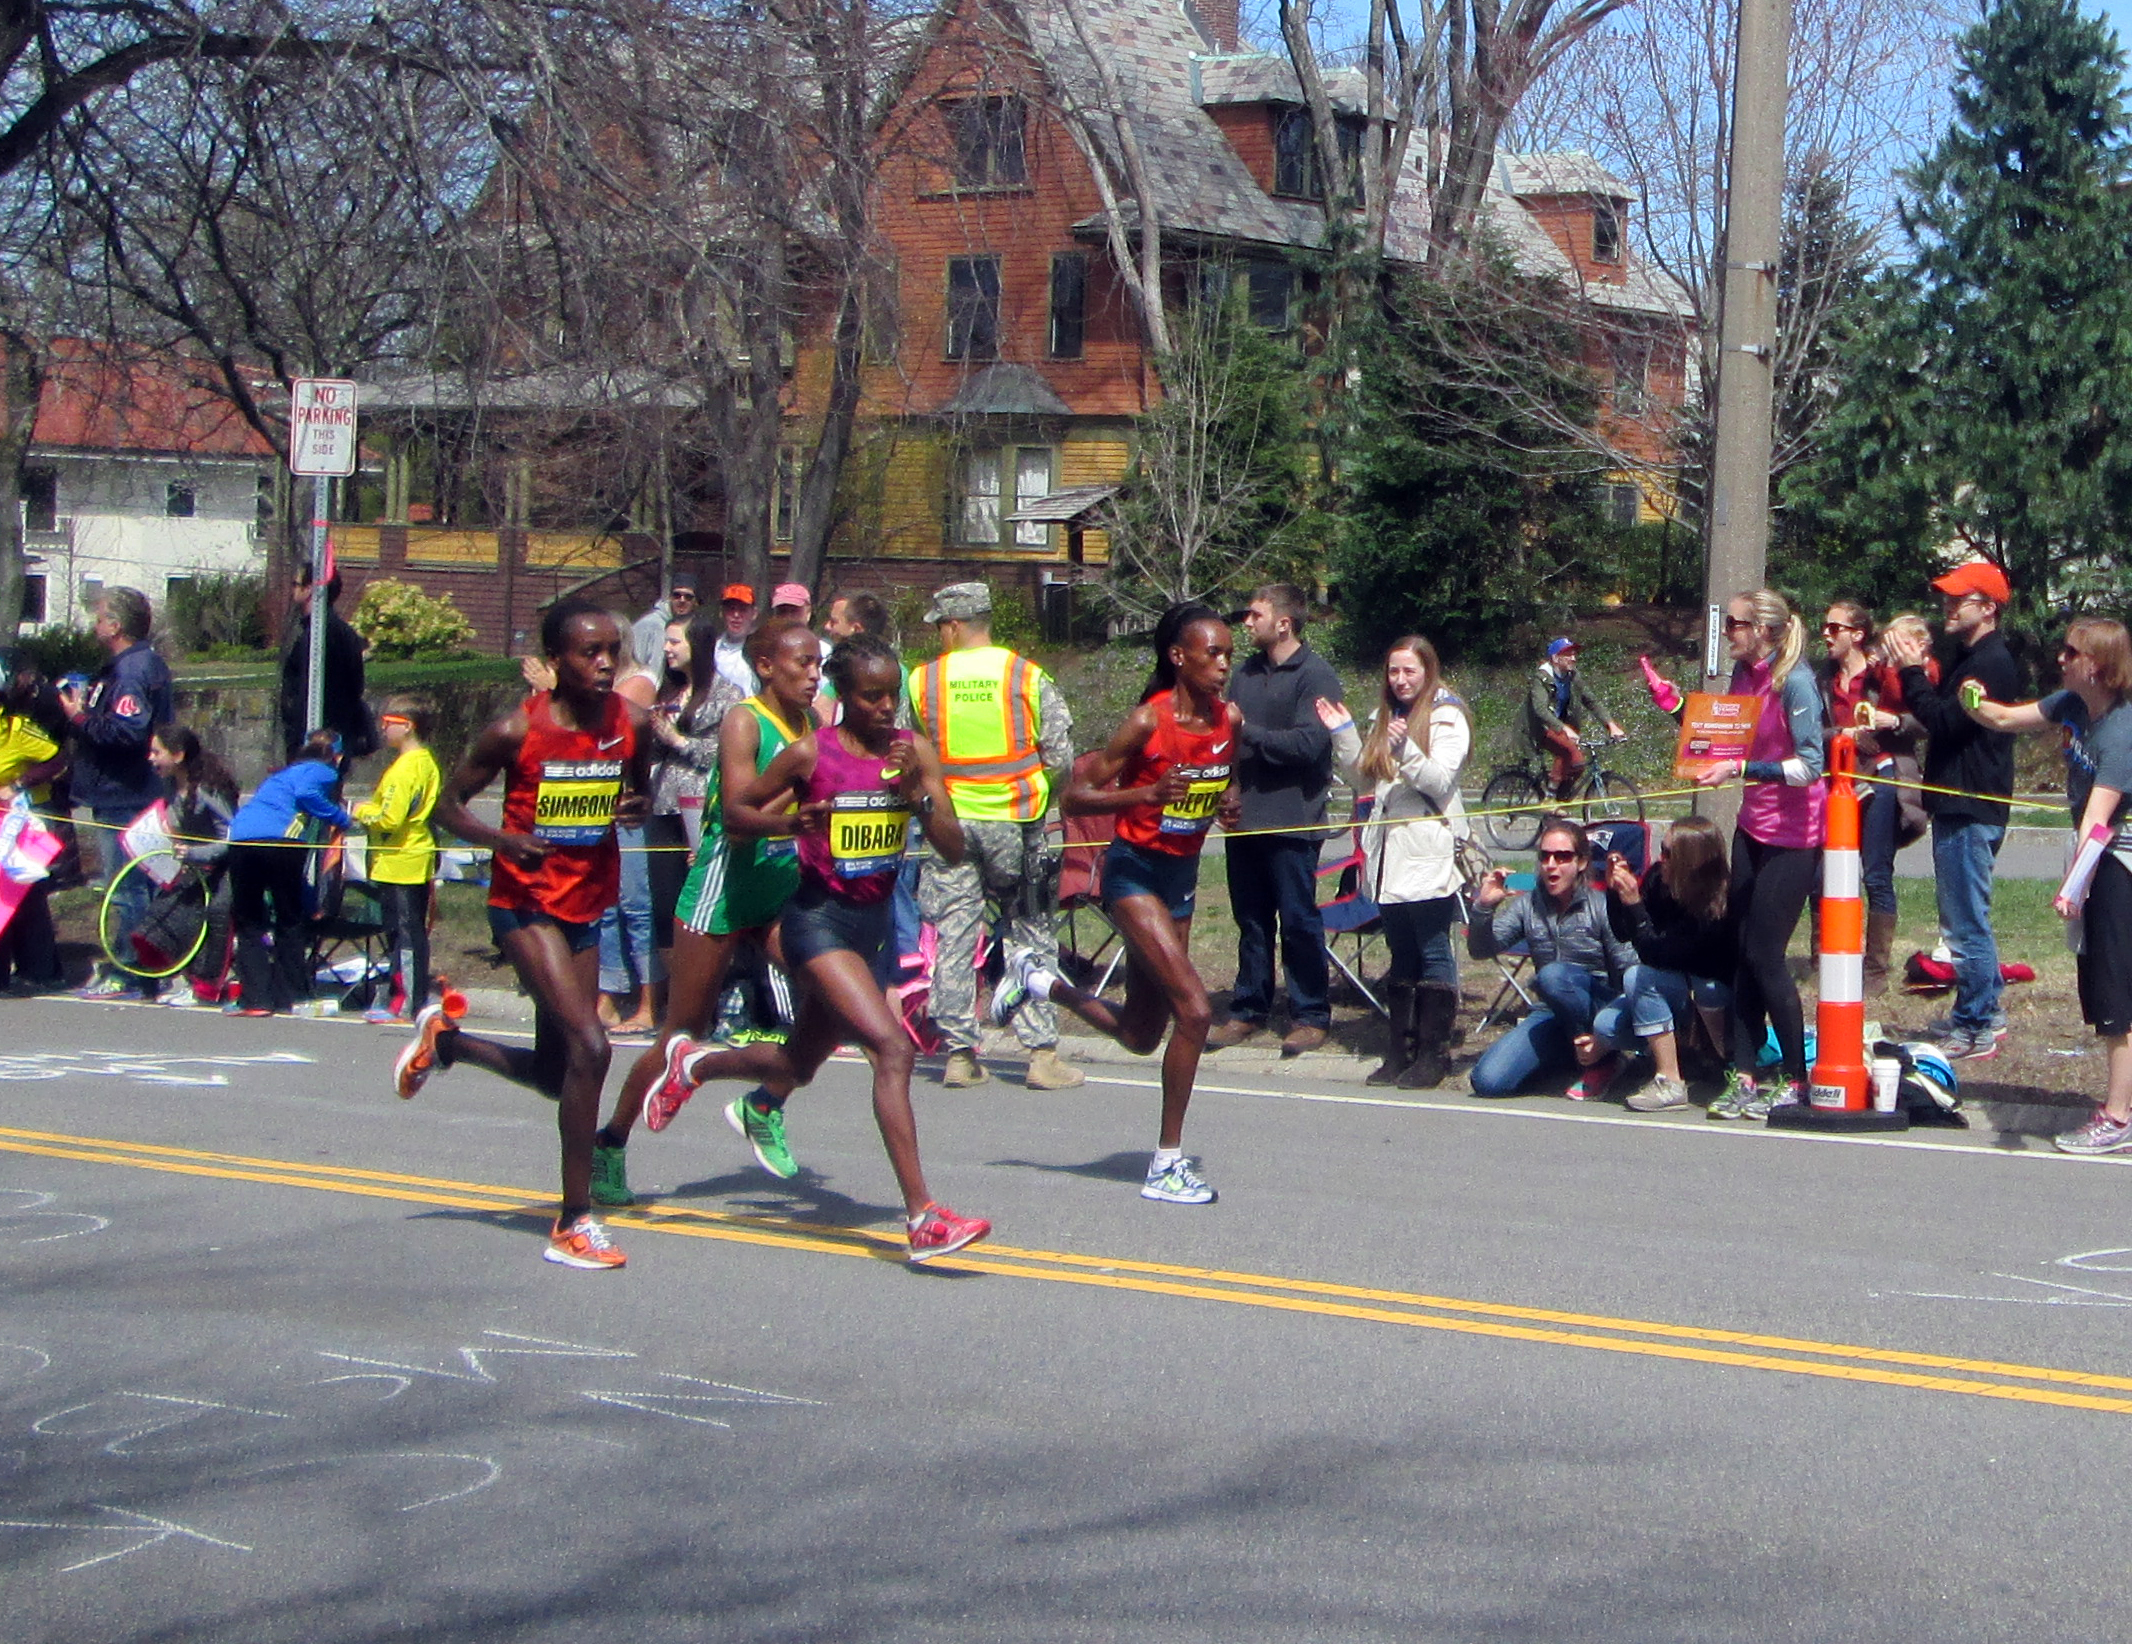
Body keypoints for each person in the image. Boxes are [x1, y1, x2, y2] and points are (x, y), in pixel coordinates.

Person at [638, 633, 992, 1265]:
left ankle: (695, 1066)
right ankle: (923, 1217)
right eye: (871, 696)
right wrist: (789, 823)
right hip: (816, 923)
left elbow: (954, 848)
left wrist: (920, 796)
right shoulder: (810, 755)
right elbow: (737, 813)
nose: (886, 709)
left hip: (871, 925)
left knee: (798, 1065)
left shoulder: (915, 754)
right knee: (892, 1048)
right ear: (845, 697)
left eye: (893, 696)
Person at [398, 598, 653, 1271]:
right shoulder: (515, 730)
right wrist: (502, 837)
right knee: (592, 1046)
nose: (603, 664)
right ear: (553, 662)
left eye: (611, 652)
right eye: (587, 653)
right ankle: (574, 1220)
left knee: (554, 1072)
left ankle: (448, 1043)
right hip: (524, 904)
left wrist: (636, 804)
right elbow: (448, 807)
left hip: (585, 904)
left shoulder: (631, 723)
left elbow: (639, 792)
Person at [993, 603, 1239, 1205]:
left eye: (1230, 654)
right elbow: (1074, 797)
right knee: (1197, 1013)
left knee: (1138, 1034)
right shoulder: (1146, 723)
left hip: (1181, 877)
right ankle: (1166, 1165)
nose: (1224, 665)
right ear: (1179, 657)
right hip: (1132, 875)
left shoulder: (1231, 719)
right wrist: (1147, 792)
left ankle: (1038, 982)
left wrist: (1228, 802)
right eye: (1213, 654)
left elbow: (1224, 779)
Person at [589, 618, 814, 1208]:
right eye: (803, 664)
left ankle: (762, 1102)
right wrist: (805, 794)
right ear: (765, 665)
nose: (815, 675)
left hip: (775, 888)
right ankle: (609, 1143)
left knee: (829, 1010)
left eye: (819, 664)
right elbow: (741, 816)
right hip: (722, 886)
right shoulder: (745, 720)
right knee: (677, 1036)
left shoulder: (809, 723)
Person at [1960, 618, 2131, 1152]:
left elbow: (2097, 821)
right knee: (2105, 988)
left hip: (2118, 860)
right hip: (2096, 855)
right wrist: (1970, 699)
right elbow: (2007, 719)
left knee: (2114, 995)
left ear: (2098, 666)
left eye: (2070, 651)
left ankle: (2118, 1116)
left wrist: (2072, 887)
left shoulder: (2122, 732)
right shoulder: (2074, 704)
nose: (2060, 658)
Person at [908, 580, 1081, 1090]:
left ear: (955, 625)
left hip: (950, 829)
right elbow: (1060, 753)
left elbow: (903, 753)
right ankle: (1041, 1056)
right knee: (1030, 935)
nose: (939, 634)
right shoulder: (1024, 675)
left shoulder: (922, 681)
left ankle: (960, 1055)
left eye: (940, 625)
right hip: (1018, 824)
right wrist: (1046, 794)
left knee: (956, 936)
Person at [1688, 589, 1827, 1118]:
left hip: (1795, 834)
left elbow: (1810, 766)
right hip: (1753, 824)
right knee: (1740, 948)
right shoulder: (1742, 677)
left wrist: (1743, 770)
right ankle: (1742, 1072)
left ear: (1766, 630)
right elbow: (1727, 739)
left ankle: (1795, 1077)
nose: (1729, 634)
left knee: (1767, 953)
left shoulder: (1796, 681)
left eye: (1737, 624)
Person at [1316, 634, 1471, 1088]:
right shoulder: (1385, 716)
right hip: (1389, 852)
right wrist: (1344, 734)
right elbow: (1365, 778)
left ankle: (1433, 1053)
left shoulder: (1447, 715)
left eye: (1410, 671)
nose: (1400, 680)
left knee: (1432, 947)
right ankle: (1399, 1052)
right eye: (1393, 671)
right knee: (1400, 950)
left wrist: (1407, 749)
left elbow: (1441, 780)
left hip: (1430, 844)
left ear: (1428, 671)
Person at [1884, 561, 2021, 1060]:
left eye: (1958, 600)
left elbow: (1946, 723)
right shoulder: (1967, 657)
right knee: (1961, 919)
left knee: (1966, 923)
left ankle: (1977, 1024)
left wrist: (1912, 671)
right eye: (1946, 597)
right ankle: (1983, 1011)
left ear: (1987, 608)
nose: (1947, 606)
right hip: (1957, 802)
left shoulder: (1991, 662)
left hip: (1971, 805)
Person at [1206, 584, 1344, 1056]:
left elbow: (1310, 745)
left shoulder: (1316, 675)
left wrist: (1250, 731)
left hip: (1293, 821)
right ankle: (1248, 1008)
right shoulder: (1244, 673)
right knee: (1251, 921)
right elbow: (1227, 743)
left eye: (1256, 615)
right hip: (1246, 821)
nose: (1248, 622)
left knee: (1299, 920)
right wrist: (1228, 790)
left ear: (1283, 623)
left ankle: (1309, 1013)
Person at [1466, 816, 1637, 1097]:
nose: (1551, 865)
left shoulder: (1602, 906)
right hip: (1550, 1011)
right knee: (1488, 1081)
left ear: (1581, 862)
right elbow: (1480, 950)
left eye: (1562, 857)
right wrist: (1483, 908)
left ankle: (1606, 1060)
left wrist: (1608, 1033)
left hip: (1601, 1006)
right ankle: (1568, 1054)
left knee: (1553, 975)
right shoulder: (1527, 906)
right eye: (1545, 857)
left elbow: (1630, 971)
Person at [62, 586, 173, 996]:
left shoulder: (132, 671)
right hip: (125, 789)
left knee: (127, 888)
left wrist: (79, 718)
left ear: (117, 625)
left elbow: (128, 731)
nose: (95, 625)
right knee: (136, 885)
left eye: (100, 618)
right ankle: (142, 967)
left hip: (124, 791)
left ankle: (133, 971)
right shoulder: (132, 665)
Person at [1822, 603, 1933, 993]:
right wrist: (1842, 734)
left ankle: (1875, 973)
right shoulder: (1823, 680)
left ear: (1857, 633)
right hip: (1836, 782)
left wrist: (1895, 721)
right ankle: (1829, 958)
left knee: (1876, 872)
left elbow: (1925, 718)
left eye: (1834, 627)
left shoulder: (1879, 674)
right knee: (1824, 871)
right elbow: (1809, 732)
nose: (1826, 633)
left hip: (1882, 775)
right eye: (1824, 626)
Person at [1594, 815, 1737, 1112]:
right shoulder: (1660, 878)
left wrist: (1634, 904)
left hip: (1715, 1001)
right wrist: (1616, 893)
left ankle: (1675, 1077)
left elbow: (1655, 954)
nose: (1661, 859)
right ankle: (1676, 1057)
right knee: (1606, 1027)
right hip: (1675, 993)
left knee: (1641, 977)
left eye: (1669, 853)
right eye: (1662, 849)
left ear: (1691, 861)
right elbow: (1623, 933)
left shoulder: (1717, 905)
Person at [224, 729, 358, 1016]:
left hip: (241, 838)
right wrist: (341, 819)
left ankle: (255, 998)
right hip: (279, 841)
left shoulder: (280, 775)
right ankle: (292, 994)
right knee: (289, 917)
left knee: (249, 920)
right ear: (337, 756)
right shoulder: (324, 771)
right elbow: (307, 793)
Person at [595, 615, 664, 1034]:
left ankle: (649, 1003)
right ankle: (607, 997)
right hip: (596, 805)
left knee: (637, 908)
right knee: (605, 908)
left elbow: (615, 723)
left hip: (630, 806)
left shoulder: (639, 679)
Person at [353, 695, 441, 1023]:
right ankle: (400, 994)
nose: (383, 728)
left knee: (406, 933)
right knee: (401, 931)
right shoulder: (422, 762)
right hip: (399, 857)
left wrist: (361, 811)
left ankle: (407, 1001)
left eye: (388, 723)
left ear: (407, 726)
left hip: (403, 858)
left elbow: (391, 818)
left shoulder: (408, 767)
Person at [140, 724, 238, 1003]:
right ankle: (175, 975)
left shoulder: (209, 790)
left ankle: (206, 985)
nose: (150, 758)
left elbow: (231, 840)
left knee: (216, 912)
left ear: (178, 755)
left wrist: (194, 854)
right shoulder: (170, 786)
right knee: (165, 908)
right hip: (194, 867)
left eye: (156, 752)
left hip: (227, 867)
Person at [0, 678, 70, 992]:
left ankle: (41, 970)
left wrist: (18, 784)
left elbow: (57, 758)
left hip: (20, 824)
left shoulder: (15, 728)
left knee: (28, 897)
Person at [277, 568, 374, 767]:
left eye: (296, 584)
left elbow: (305, 689)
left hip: (319, 741)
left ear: (310, 589)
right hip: (330, 738)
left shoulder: (321, 635)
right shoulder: (336, 632)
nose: (292, 590)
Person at [1523, 637, 1625, 796]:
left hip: (1559, 725)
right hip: (1540, 726)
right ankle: (1549, 797)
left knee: (1578, 764)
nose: (1573, 658)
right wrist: (1564, 729)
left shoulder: (1572, 676)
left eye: (1574, 654)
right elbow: (1540, 709)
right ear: (1555, 658)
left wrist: (1611, 725)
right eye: (1568, 654)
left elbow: (1591, 700)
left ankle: (1559, 800)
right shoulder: (1541, 677)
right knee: (1571, 753)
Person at [631, 571, 699, 673]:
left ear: (695, 601)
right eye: (677, 595)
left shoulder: (694, 627)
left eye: (688, 597)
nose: (682, 600)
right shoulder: (650, 625)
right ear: (669, 597)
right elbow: (635, 666)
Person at [713, 583, 759, 696]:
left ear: (754, 613)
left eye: (743, 610)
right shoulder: (710, 650)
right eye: (731, 609)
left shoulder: (761, 650)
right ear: (721, 613)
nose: (736, 615)